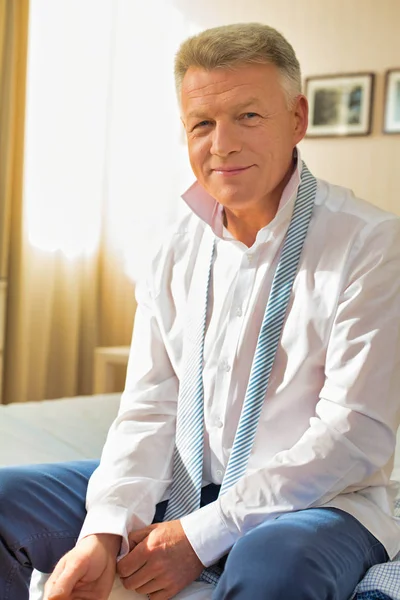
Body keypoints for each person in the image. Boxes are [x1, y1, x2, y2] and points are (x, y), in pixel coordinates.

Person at [1, 22, 399, 600]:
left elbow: (353, 436)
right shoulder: (173, 245)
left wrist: (199, 536)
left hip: (322, 501)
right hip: (182, 484)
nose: (222, 145)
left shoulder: (372, 244)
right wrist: (105, 529)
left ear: (298, 120)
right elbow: (149, 405)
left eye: (249, 117)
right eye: (202, 124)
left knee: (273, 563)